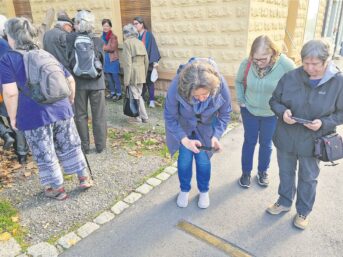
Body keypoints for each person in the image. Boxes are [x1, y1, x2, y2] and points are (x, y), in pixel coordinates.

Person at [0, 17, 93, 200]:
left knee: (45, 151)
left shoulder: (8, 60)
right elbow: (70, 79)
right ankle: (83, 177)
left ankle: (57, 189)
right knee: (71, 145)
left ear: (11, 36)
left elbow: (10, 93)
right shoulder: (44, 53)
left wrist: (12, 118)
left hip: (34, 115)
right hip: (61, 109)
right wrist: (70, 100)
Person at [267, 39, 343, 229]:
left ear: (326, 61)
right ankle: (284, 202)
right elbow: (274, 101)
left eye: (315, 64)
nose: (309, 68)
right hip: (286, 136)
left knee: (308, 178)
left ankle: (303, 211)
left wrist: (324, 123)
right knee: (285, 173)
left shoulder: (338, 82)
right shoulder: (290, 76)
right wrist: (282, 113)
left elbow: (341, 113)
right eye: (305, 63)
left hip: (313, 141)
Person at [164, 58, 231, 209]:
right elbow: (170, 116)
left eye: (205, 95)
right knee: (184, 160)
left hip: (206, 128)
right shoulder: (177, 85)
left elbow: (225, 113)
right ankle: (184, 189)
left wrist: (216, 136)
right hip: (184, 126)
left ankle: (204, 191)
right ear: (188, 91)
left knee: (203, 161)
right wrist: (184, 140)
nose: (201, 99)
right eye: (196, 96)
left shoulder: (219, 84)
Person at [235, 35, 295, 188]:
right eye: (256, 59)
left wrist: (285, 108)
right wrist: (241, 100)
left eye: (263, 59)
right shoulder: (248, 62)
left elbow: (296, 86)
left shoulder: (285, 65)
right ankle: (246, 173)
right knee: (249, 142)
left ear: (273, 53)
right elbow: (238, 81)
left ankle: (262, 172)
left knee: (266, 143)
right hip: (249, 111)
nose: (259, 63)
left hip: (271, 114)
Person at [66, 10, 107, 154]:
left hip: (78, 83)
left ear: (78, 23)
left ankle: (84, 147)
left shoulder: (70, 39)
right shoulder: (99, 40)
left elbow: (68, 60)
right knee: (99, 115)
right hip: (97, 82)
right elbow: (102, 63)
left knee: (80, 116)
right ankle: (100, 146)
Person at [0, 15, 29, 163]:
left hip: (7, 87)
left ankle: (18, 147)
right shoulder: (7, 44)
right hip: (11, 86)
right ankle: (22, 151)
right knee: (16, 118)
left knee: (14, 118)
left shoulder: (5, 45)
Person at [122, 23, 149, 123]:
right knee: (138, 95)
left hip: (132, 73)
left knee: (136, 96)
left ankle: (138, 118)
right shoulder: (140, 42)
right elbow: (147, 60)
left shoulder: (127, 43)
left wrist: (126, 80)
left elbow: (128, 64)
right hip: (141, 72)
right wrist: (144, 74)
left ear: (126, 33)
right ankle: (144, 117)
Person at [133, 16, 161, 108]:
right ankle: (142, 98)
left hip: (148, 62)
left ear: (142, 24)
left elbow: (153, 47)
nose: (135, 25)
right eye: (134, 24)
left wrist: (154, 62)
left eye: (136, 23)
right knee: (141, 82)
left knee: (150, 82)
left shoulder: (148, 35)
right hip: (139, 64)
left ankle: (152, 100)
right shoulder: (135, 36)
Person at [101, 18, 122, 101]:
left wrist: (102, 47)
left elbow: (112, 48)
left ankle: (119, 94)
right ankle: (112, 93)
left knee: (115, 78)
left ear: (110, 27)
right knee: (109, 78)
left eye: (107, 26)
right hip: (105, 60)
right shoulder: (101, 36)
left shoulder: (114, 37)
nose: (105, 27)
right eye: (104, 26)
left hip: (113, 60)